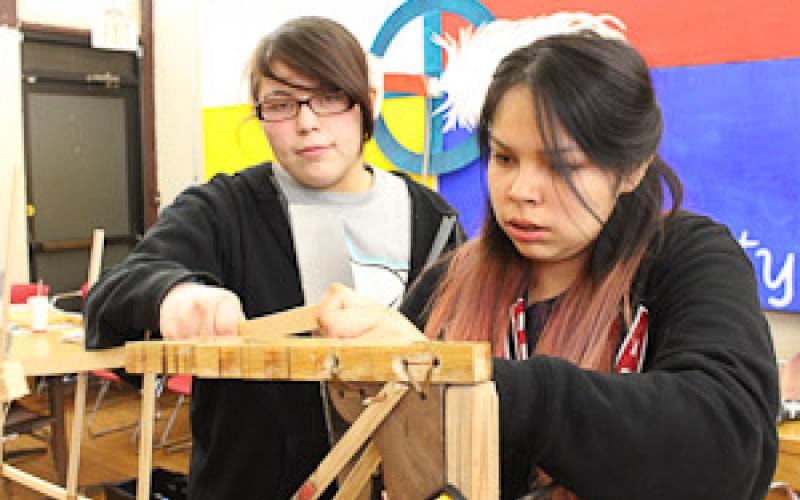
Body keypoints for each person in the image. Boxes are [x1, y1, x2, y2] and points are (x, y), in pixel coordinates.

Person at [317, 30, 779, 499]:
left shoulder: (685, 261)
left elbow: (728, 447)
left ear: (632, 168)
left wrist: (474, 379)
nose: (520, 190)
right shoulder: (448, 284)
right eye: (504, 158)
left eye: (561, 165)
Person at [84, 16, 464, 500]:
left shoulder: (433, 221)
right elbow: (114, 292)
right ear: (259, 113)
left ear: (370, 101)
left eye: (329, 97)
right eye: (282, 105)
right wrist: (175, 295)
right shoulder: (224, 210)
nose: (307, 122)